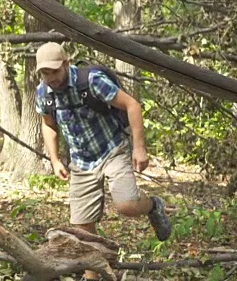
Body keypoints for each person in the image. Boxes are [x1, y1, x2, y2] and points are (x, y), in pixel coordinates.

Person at [33, 42, 172, 281]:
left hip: (112, 149)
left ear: (66, 64)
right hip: (81, 162)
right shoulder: (44, 93)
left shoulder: (91, 81)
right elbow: (48, 125)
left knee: (127, 205)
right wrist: (55, 159)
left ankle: (153, 206)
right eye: (45, 73)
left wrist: (139, 148)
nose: (51, 78)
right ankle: (92, 278)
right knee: (83, 230)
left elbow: (132, 105)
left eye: (54, 71)